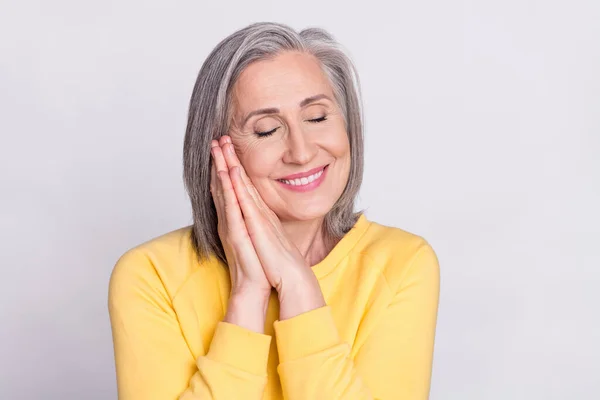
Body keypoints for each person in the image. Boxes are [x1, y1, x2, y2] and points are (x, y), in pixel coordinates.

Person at [108, 21, 440, 400]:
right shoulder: (151, 276)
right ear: (217, 151)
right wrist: (248, 296)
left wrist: (298, 289)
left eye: (317, 117)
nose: (301, 151)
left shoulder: (403, 263)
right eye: (266, 129)